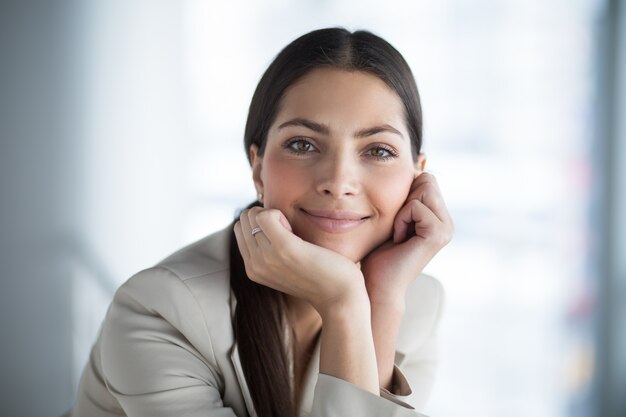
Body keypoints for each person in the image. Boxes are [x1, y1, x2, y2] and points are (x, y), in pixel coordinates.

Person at [69, 27, 454, 417]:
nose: (338, 183)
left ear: (417, 176)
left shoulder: (418, 303)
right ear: (257, 167)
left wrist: (380, 299)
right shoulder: (162, 309)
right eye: (302, 144)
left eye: (378, 150)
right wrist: (343, 303)